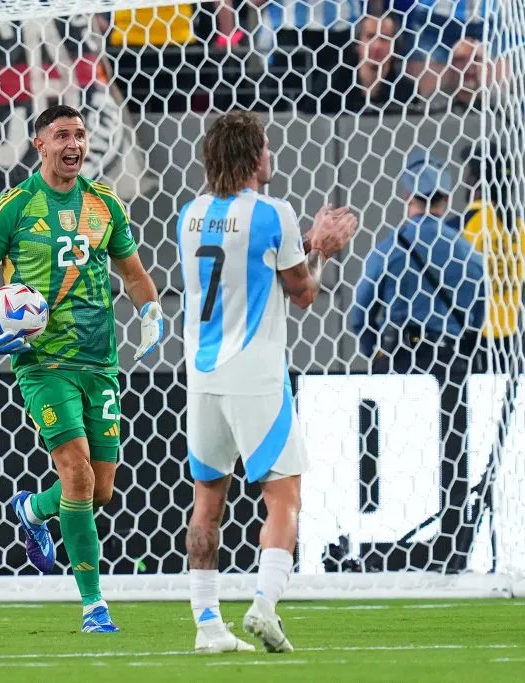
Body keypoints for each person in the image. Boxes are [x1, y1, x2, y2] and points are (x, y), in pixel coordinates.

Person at [0, 104, 163, 633]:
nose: (73, 144)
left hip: (101, 362)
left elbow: (136, 275)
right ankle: (95, 605)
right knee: (75, 470)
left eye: (79, 135)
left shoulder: (105, 204)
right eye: (61, 136)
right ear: (38, 143)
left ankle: (33, 511)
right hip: (43, 363)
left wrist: (150, 313)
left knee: (99, 491)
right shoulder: (14, 206)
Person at [176, 111, 356, 653]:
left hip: (202, 377)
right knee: (285, 494)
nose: (271, 158)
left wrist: (300, 247)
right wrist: (320, 245)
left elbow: (246, 266)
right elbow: (302, 293)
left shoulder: (190, 215)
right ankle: (264, 605)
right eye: (268, 149)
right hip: (255, 375)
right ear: (256, 157)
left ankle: (208, 626)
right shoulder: (274, 213)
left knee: (206, 502)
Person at [349, 149, 484, 374]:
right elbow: (478, 320)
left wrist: (375, 351)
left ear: (407, 195)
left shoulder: (389, 250)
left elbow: (360, 316)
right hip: (451, 366)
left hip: (399, 362)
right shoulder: (470, 255)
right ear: (447, 198)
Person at [454, 141, 524, 371]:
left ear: (473, 179)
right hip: (512, 337)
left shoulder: (461, 227)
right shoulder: (518, 227)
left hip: (474, 342)